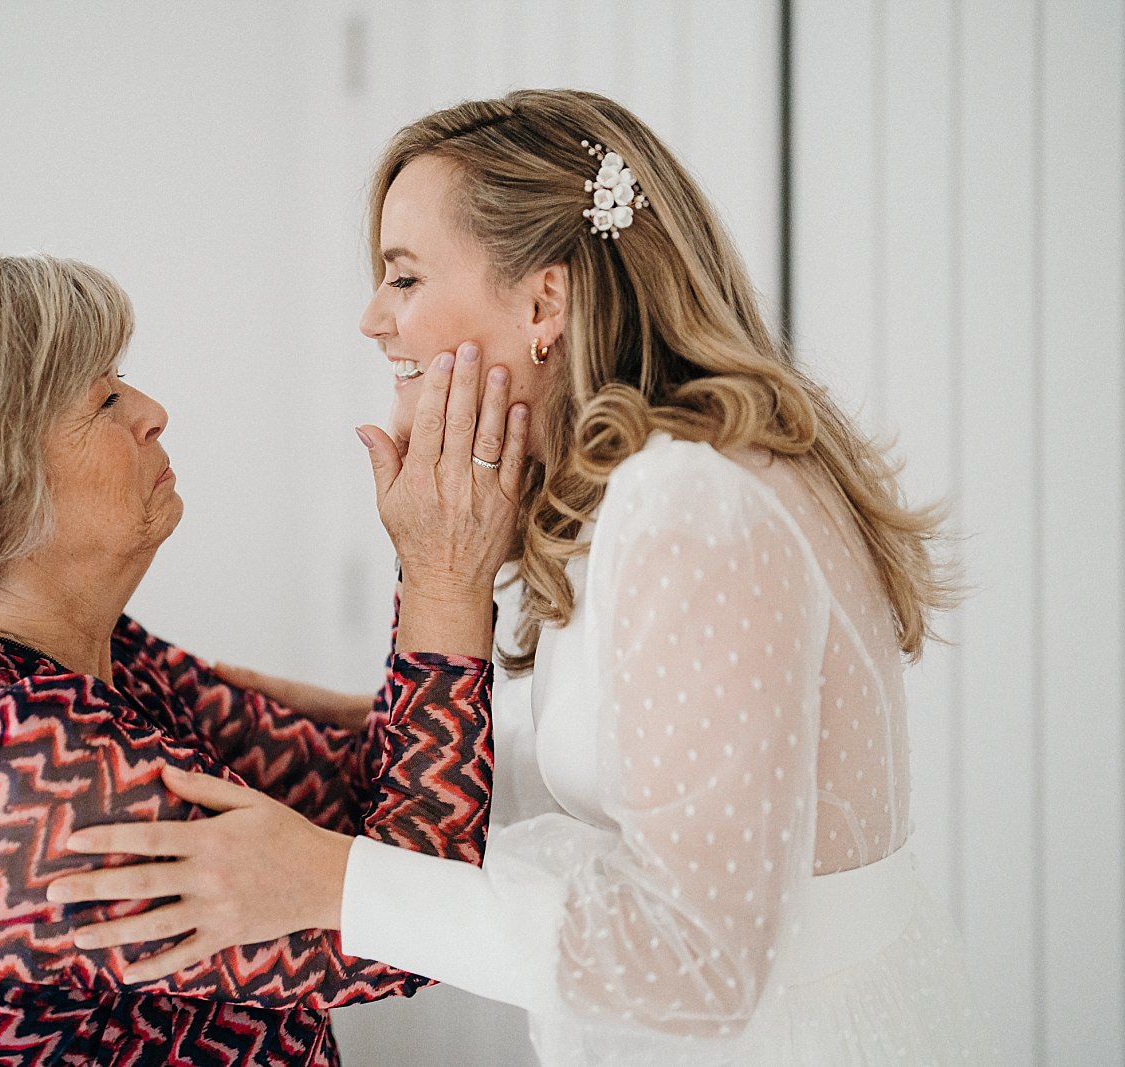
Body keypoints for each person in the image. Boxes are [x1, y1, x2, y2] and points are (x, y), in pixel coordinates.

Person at [49, 91, 1002, 1064]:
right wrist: (358, 733)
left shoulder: (688, 503)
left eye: (404, 277)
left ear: (544, 303)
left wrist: (333, 881)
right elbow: (651, 789)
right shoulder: (654, 481)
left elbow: (701, 964)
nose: (375, 319)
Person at [0, 253, 530, 1066]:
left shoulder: (87, 658)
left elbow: (352, 793)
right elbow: (416, 914)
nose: (153, 411)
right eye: (103, 397)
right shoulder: (19, 781)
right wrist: (445, 570)